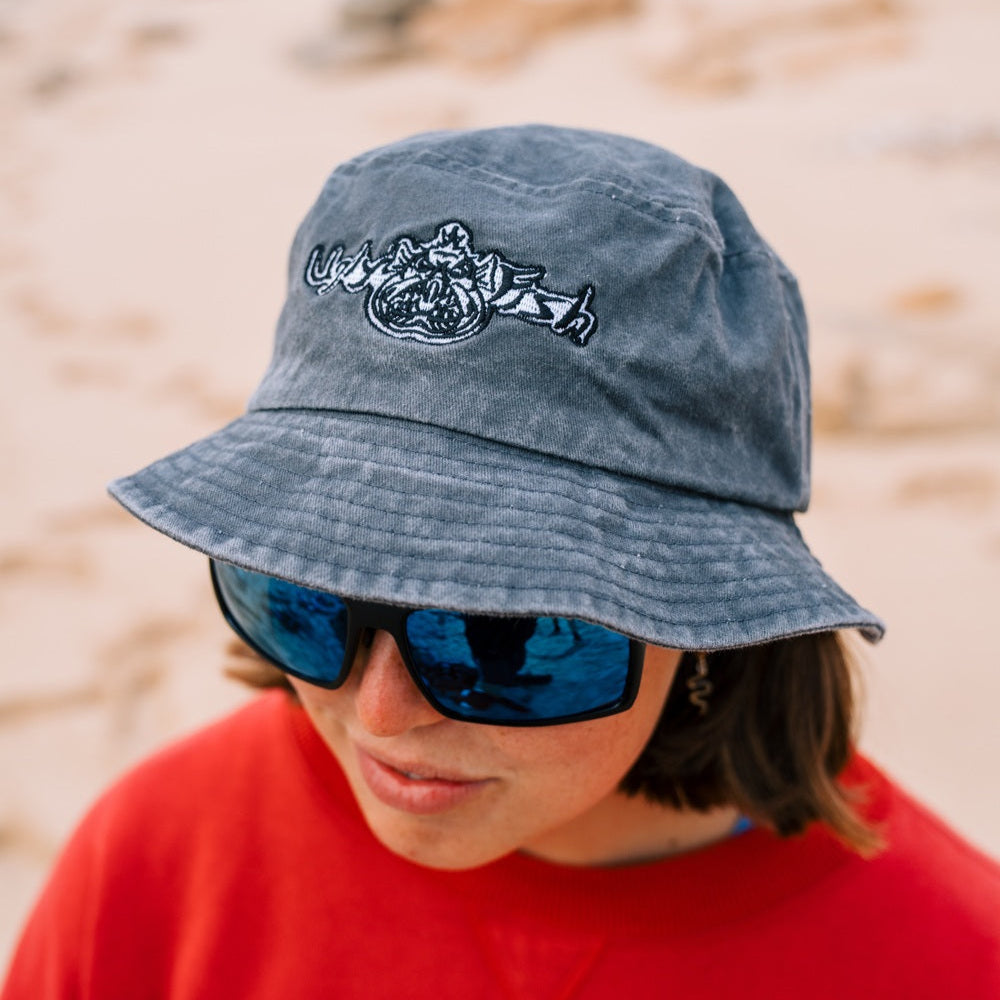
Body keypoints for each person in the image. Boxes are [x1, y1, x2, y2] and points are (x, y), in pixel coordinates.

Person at [3, 124, 998, 999]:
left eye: (500, 633)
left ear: (708, 627)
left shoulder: (949, 962)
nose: (382, 714)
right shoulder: (158, 862)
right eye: (306, 595)